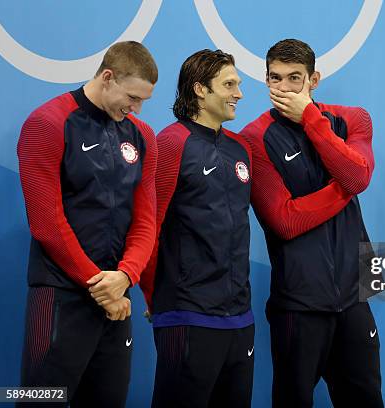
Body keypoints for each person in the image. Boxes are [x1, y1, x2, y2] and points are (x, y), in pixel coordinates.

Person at [240, 39, 383, 408]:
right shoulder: (254, 139)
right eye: (275, 79)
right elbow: (285, 220)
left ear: (313, 80)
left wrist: (312, 119)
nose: (284, 89)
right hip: (298, 303)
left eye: (294, 79)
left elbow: (357, 177)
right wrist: (346, 188)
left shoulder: (353, 119)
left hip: (354, 297)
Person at [17, 41, 158, 407]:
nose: (137, 108)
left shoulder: (142, 136)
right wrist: (101, 287)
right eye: (132, 97)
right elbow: (46, 223)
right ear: (107, 77)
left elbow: (146, 221)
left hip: (117, 297)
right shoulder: (46, 123)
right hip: (62, 295)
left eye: (143, 101)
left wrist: (125, 277)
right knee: (38, 401)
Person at [138, 49, 254, 408]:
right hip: (187, 313)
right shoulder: (171, 143)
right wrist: (152, 296)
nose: (239, 93)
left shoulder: (241, 150)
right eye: (229, 84)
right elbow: (147, 226)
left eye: (239, 84)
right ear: (200, 90)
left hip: (240, 318)